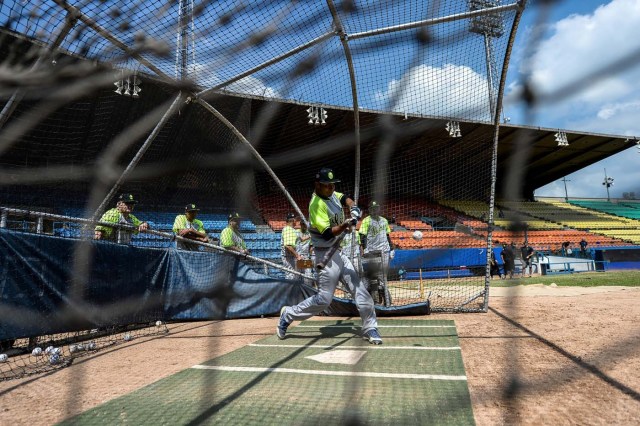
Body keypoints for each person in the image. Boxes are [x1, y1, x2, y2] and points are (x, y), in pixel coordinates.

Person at [277, 167, 382, 345]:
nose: (331, 188)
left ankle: (370, 326)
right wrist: (346, 224)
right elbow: (327, 233)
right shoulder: (316, 205)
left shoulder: (331, 193)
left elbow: (344, 197)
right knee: (324, 300)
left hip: (339, 253)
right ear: (317, 185)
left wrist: (353, 207)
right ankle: (288, 314)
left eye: (333, 185)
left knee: (359, 289)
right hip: (325, 255)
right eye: (327, 186)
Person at [359, 200, 395, 287]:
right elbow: (362, 236)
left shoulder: (384, 220)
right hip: (372, 251)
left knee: (383, 274)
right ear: (370, 210)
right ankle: (371, 292)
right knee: (373, 274)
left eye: (376, 208)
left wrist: (392, 249)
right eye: (373, 209)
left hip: (385, 250)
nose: (375, 210)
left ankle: (384, 292)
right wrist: (364, 248)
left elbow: (387, 235)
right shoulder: (366, 221)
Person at [281, 212, 303, 280]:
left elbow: (300, 239)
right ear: (293, 220)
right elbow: (288, 246)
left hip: (292, 258)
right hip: (290, 259)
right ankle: (290, 290)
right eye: (296, 219)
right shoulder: (288, 229)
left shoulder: (291, 229)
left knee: (295, 277)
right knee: (291, 277)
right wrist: (297, 256)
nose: (297, 221)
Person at [296, 219, 314, 284]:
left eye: (306, 225)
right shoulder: (297, 232)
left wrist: (310, 254)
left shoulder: (308, 232)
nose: (305, 226)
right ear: (301, 225)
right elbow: (302, 239)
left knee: (309, 275)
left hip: (306, 256)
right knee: (299, 275)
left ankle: (308, 289)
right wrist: (311, 235)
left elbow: (311, 246)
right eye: (303, 225)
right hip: (299, 256)